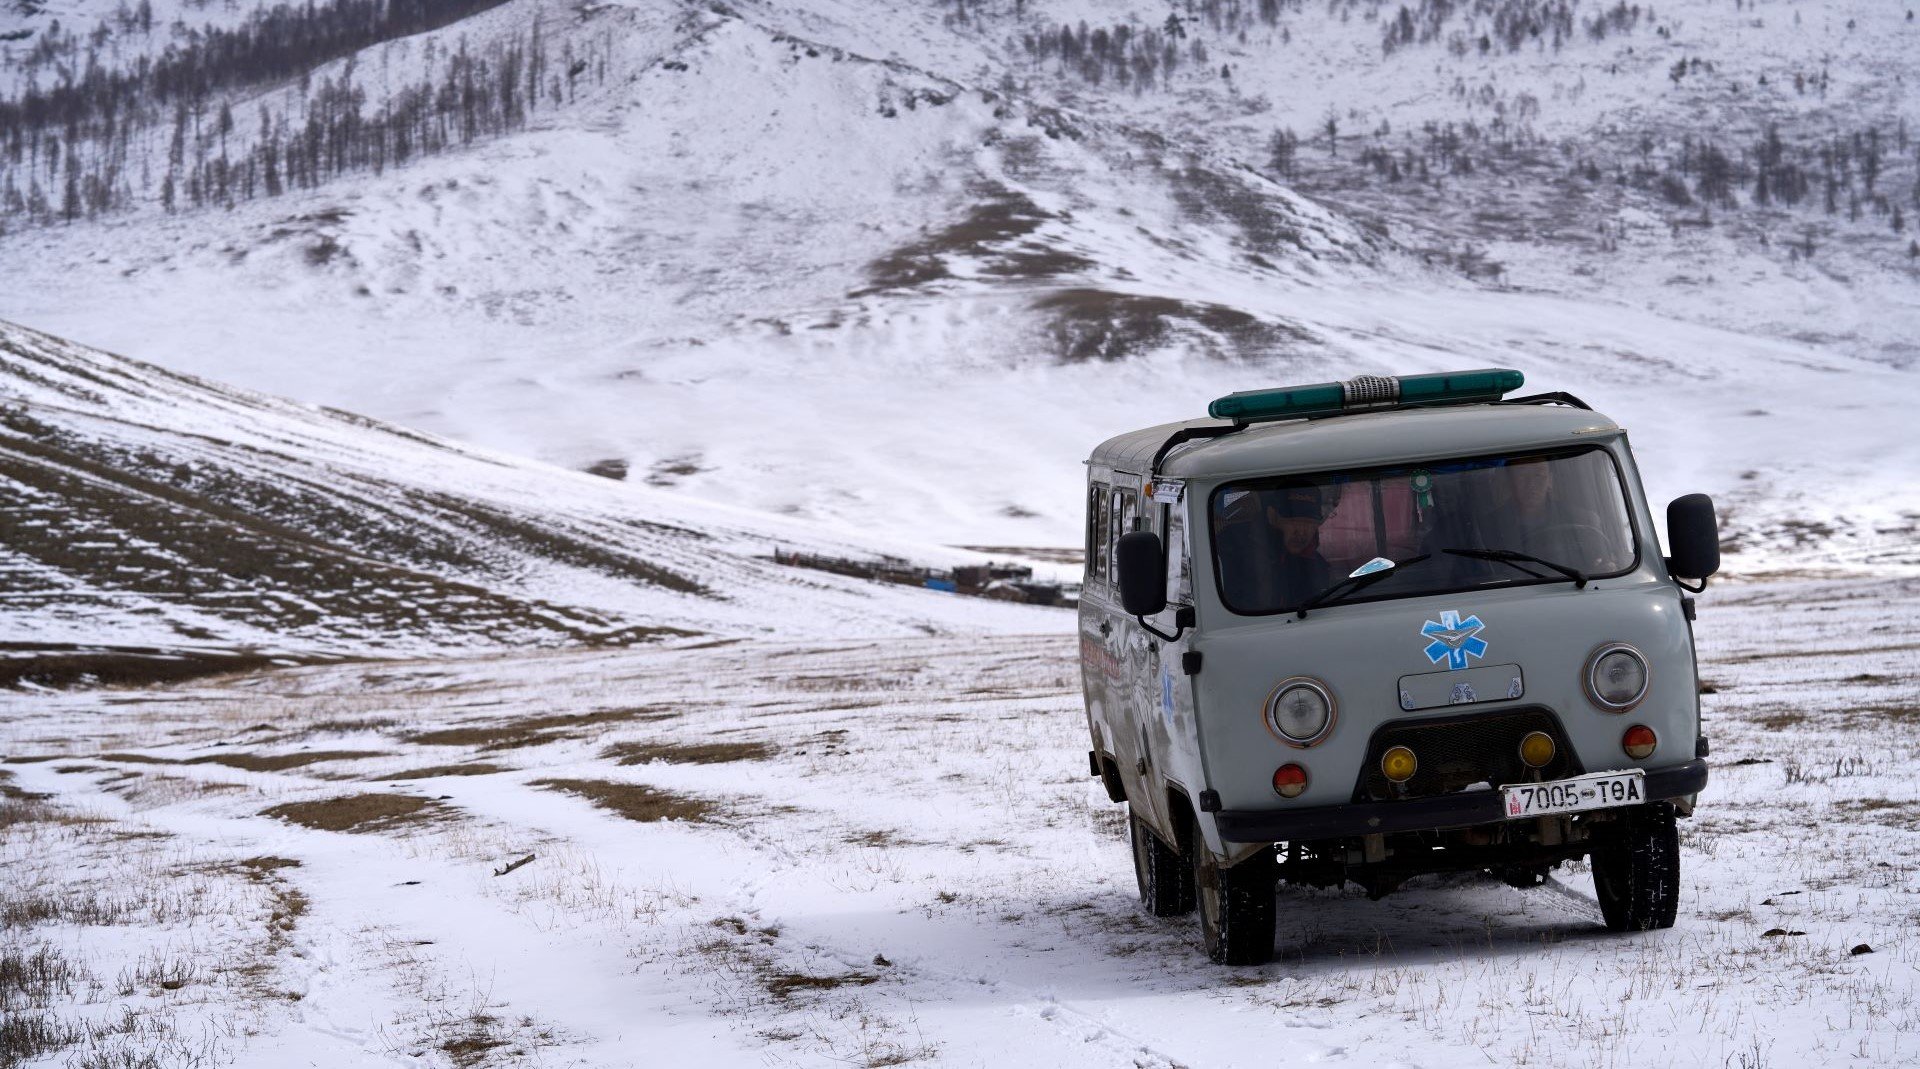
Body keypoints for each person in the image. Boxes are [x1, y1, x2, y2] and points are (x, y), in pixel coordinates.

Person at [1263, 485, 1331, 604]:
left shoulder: (1320, 568)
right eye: (1293, 521)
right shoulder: (1252, 562)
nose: (1301, 532)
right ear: (1273, 518)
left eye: (1309, 523)